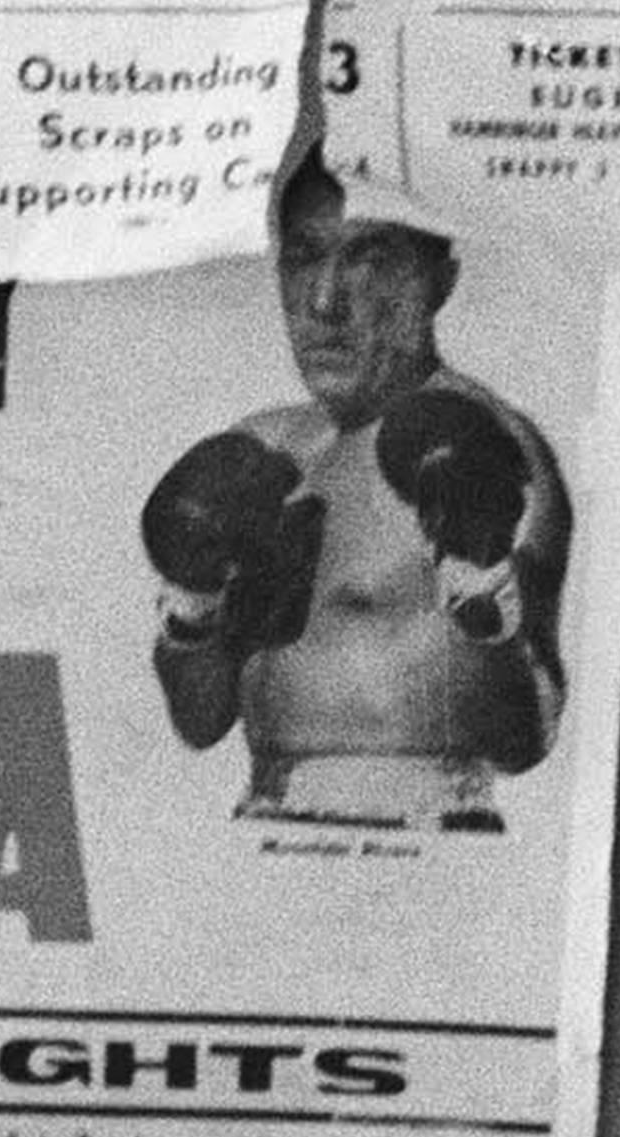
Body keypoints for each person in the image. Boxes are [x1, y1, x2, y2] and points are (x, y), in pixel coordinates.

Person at [139, 162, 570, 830]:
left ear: (438, 284)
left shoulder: (491, 445)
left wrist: (481, 594)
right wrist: (193, 611)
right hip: (266, 824)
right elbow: (200, 722)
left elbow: (526, 738)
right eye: (304, 259)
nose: (324, 303)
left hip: (423, 844)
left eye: (370, 260)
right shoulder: (266, 449)